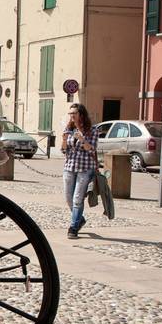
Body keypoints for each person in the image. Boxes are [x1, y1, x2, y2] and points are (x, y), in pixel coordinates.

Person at [61, 102, 98, 239]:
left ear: (81, 115)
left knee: (77, 199)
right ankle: (80, 219)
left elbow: (92, 149)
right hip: (69, 167)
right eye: (70, 114)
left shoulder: (92, 130)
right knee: (68, 198)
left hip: (85, 168)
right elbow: (64, 150)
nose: (72, 116)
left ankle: (74, 227)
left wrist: (82, 139)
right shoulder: (68, 129)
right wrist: (64, 140)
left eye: (74, 114)